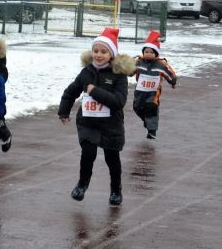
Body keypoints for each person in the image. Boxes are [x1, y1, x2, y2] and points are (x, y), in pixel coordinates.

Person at [58, 28, 135, 205]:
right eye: (95, 51)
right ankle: (82, 185)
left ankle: (116, 189)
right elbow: (71, 92)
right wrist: (64, 111)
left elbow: (118, 102)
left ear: (112, 54)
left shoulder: (119, 76)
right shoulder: (86, 73)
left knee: (112, 159)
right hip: (88, 122)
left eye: (103, 51)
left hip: (111, 124)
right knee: (88, 153)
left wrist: (95, 91)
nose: (98, 55)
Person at [132, 30, 177, 139]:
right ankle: (147, 120)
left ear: (156, 54)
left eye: (151, 52)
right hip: (140, 91)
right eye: (146, 52)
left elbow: (170, 74)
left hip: (153, 92)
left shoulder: (160, 64)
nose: (148, 54)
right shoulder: (139, 62)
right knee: (137, 107)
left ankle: (152, 131)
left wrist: (172, 80)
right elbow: (130, 72)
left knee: (151, 107)